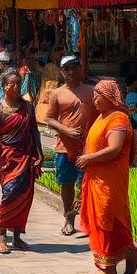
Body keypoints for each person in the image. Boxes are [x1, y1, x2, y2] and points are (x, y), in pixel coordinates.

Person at [76, 80, 137, 274]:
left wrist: (89, 158)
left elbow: (114, 149)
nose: (94, 99)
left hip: (110, 182)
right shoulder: (100, 118)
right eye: (93, 95)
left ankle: (108, 269)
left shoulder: (118, 118)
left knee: (107, 218)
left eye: (98, 95)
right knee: (98, 220)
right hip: (95, 179)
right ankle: (126, 253)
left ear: (110, 97)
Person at [0, 67, 43, 255]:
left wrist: (39, 153)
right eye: (12, 83)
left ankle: (17, 235)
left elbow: (34, 130)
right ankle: (1, 236)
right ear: (4, 86)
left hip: (26, 156)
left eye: (19, 83)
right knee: (9, 195)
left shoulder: (28, 107)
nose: (16, 86)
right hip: (7, 158)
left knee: (24, 196)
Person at [45, 53, 94, 235]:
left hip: (88, 148)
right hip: (65, 147)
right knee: (66, 184)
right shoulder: (57, 93)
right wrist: (66, 130)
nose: (71, 72)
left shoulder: (91, 91)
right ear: (61, 72)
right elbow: (49, 119)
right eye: (67, 69)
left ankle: (87, 221)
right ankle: (69, 219)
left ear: (81, 69)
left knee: (87, 184)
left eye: (74, 67)